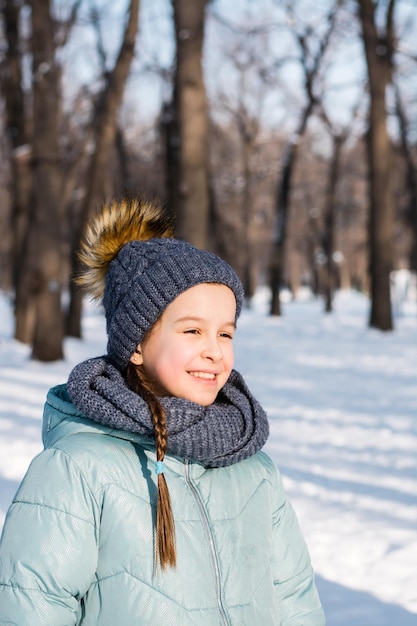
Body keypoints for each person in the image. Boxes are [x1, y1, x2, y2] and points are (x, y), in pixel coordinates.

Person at [0, 196, 325, 625]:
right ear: (135, 343)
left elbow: (294, 598)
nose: (214, 351)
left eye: (225, 334)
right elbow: (31, 602)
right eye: (192, 330)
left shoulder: (253, 469)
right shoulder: (78, 467)